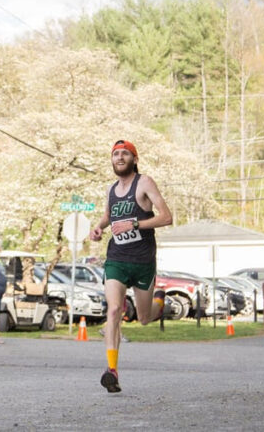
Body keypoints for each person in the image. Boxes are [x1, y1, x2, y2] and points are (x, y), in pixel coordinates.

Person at [89, 139, 173, 393]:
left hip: (143, 260)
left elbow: (166, 217)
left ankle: (159, 303)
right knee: (114, 310)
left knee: (145, 318)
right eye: (115, 154)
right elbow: (109, 215)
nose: (119, 157)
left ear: (134, 159)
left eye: (125, 153)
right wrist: (98, 227)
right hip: (117, 258)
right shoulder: (111, 189)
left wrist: (134, 224)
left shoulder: (144, 183)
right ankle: (112, 370)